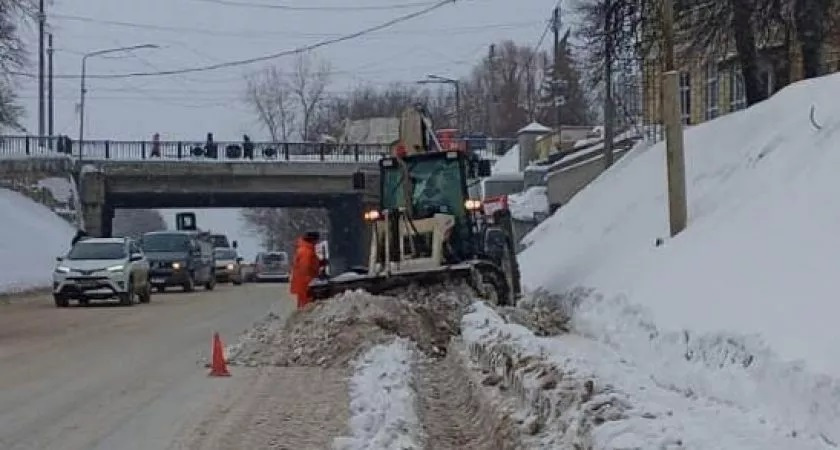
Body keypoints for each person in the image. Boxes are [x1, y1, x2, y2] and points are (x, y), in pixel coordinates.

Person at [289, 231, 321, 309]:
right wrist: (310, 282)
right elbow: (304, 268)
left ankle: (301, 316)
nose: (318, 243)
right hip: (305, 284)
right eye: (317, 240)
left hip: (303, 283)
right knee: (306, 306)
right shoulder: (306, 251)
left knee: (302, 304)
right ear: (312, 240)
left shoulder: (305, 249)